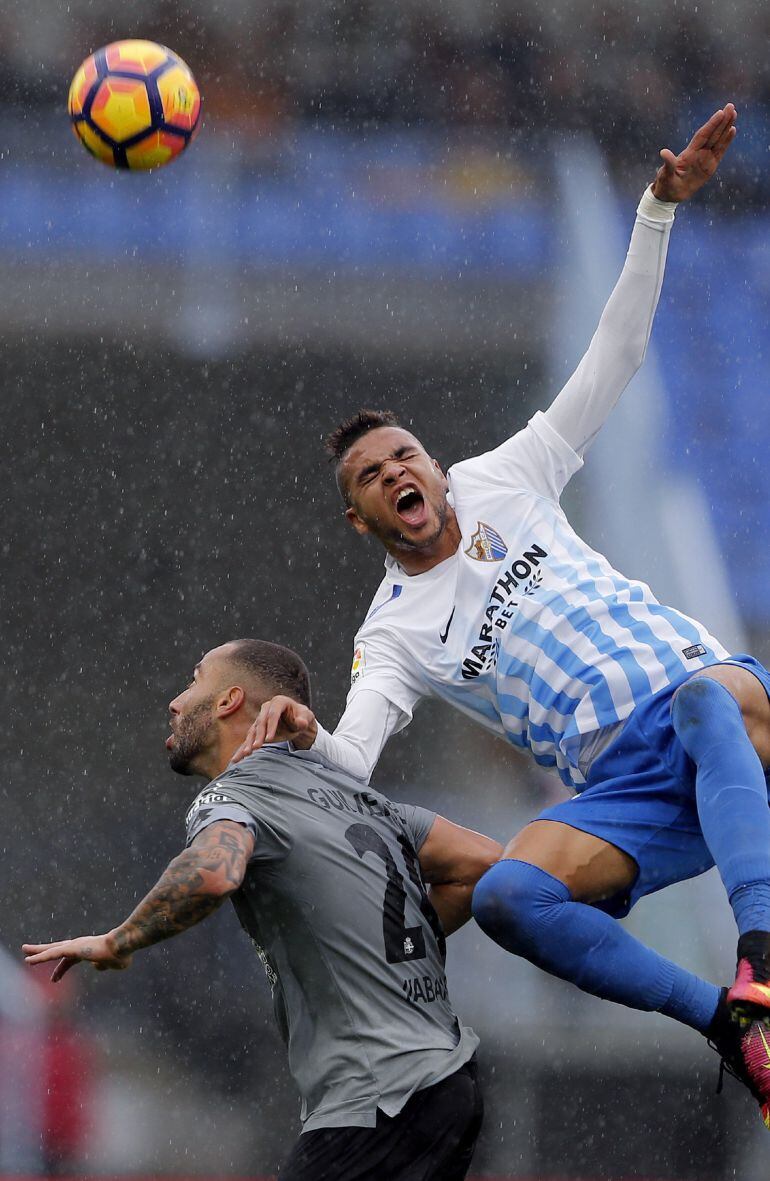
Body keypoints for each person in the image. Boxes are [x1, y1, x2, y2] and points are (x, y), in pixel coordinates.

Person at [232, 104, 770, 1127]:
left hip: (719, 708)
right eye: (370, 475)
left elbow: (611, 358)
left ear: (432, 467)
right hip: (627, 786)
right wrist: (300, 742)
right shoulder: (391, 630)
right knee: (509, 898)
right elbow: (352, 767)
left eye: (403, 453)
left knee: (704, 700)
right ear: (359, 518)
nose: (397, 470)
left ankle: (759, 955)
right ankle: (724, 1025)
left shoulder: (506, 477)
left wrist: (654, 210)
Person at [23, 639, 500, 1181]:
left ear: (228, 701)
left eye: (194, 681)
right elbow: (483, 864)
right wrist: (393, 947)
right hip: (451, 1080)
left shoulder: (235, 795)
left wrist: (119, 940)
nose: (176, 701)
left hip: (377, 1097)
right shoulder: (362, 798)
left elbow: (214, 871)